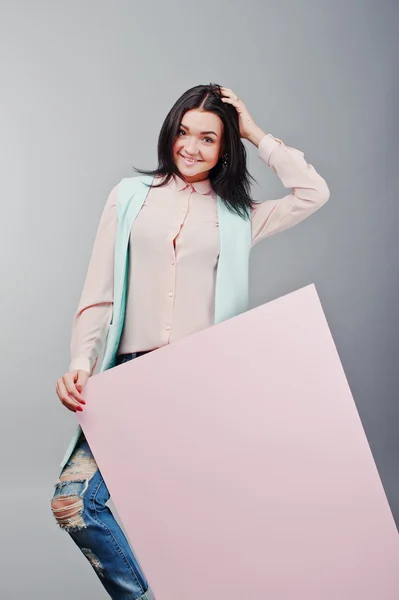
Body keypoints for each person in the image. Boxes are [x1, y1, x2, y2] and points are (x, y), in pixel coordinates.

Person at [51, 83, 330, 599]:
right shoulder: (130, 197)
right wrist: (81, 361)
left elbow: (313, 192)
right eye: (183, 132)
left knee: (201, 526)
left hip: (200, 383)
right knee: (74, 502)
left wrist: (255, 130)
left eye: (208, 138)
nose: (191, 147)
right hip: (130, 376)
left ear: (226, 148)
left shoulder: (240, 217)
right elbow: (100, 293)